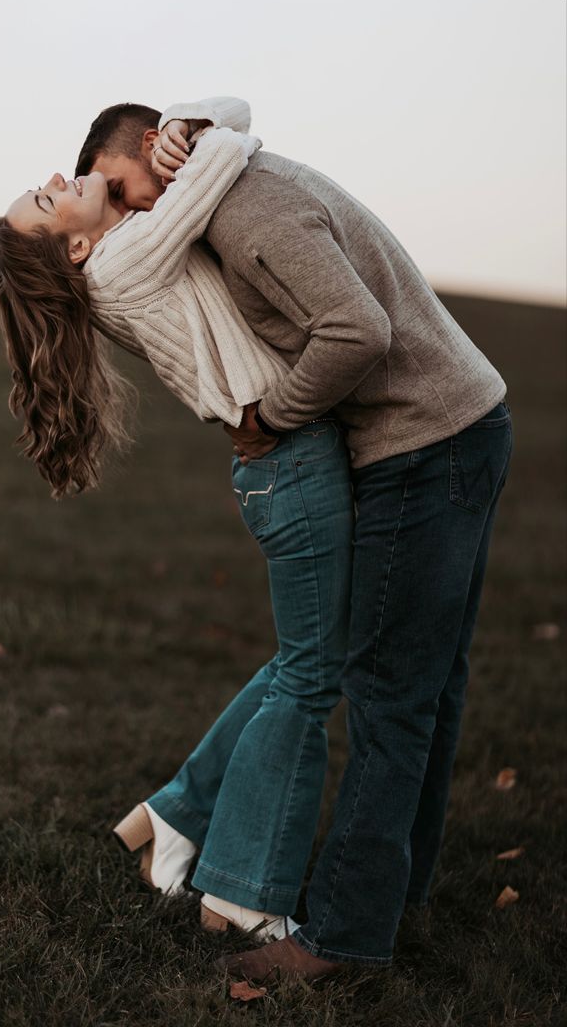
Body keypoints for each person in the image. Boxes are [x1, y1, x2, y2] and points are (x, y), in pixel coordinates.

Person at [75, 95, 512, 980]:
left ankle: (344, 940)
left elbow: (357, 332)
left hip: (423, 444)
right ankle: (402, 892)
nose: (125, 218)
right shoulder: (230, 191)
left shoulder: (245, 215)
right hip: (458, 421)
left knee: (388, 696)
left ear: (159, 156)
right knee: (428, 687)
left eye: (121, 192)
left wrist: (270, 415)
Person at [0, 107, 355, 942]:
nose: (53, 181)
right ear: (74, 248)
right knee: (308, 677)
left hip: (279, 462)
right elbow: (230, 149)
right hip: (288, 459)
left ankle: (175, 815)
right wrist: (188, 141)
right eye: (45, 204)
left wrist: (180, 124)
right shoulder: (126, 258)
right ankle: (240, 894)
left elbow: (226, 115)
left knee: (305, 660)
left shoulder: (116, 255)